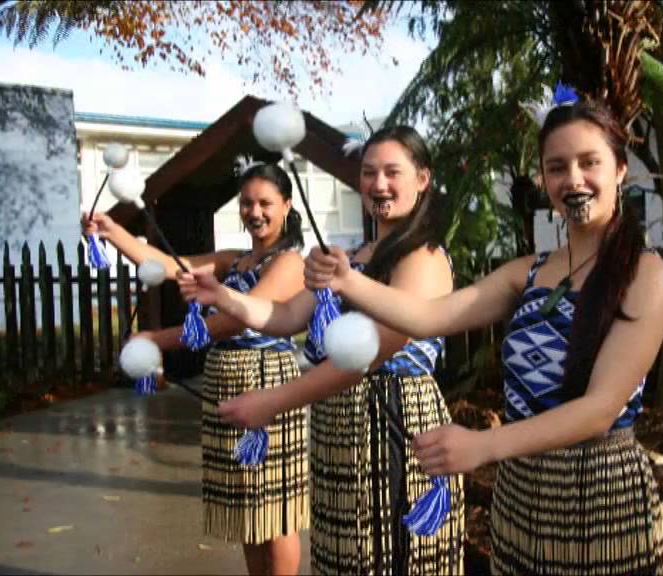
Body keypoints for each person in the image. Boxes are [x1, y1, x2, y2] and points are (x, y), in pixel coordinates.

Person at [303, 97, 663, 575]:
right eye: (557, 167)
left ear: (620, 169)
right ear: (543, 178)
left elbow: (599, 410)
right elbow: (428, 318)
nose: (573, 180)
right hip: (521, 497)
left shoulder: (645, 273)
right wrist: (347, 280)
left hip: (601, 496)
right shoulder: (528, 273)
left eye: (590, 163)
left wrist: (482, 446)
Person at [180, 126, 465, 575]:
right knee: (344, 556)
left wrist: (273, 400)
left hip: (394, 423)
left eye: (393, 172)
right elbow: (286, 315)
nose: (379, 184)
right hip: (339, 430)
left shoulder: (423, 257)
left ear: (423, 178)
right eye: (369, 173)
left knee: (389, 558)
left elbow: (371, 352)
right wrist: (224, 297)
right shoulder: (351, 257)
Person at [82, 161, 309, 576]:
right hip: (226, 383)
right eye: (246, 203)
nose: (254, 212)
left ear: (287, 205)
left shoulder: (290, 263)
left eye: (265, 203)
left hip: (266, 383)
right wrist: (113, 232)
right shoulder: (233, 260)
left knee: (275, 511)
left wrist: (158, 340)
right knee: (246, 507)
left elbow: (234, 319)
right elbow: (169, 264)